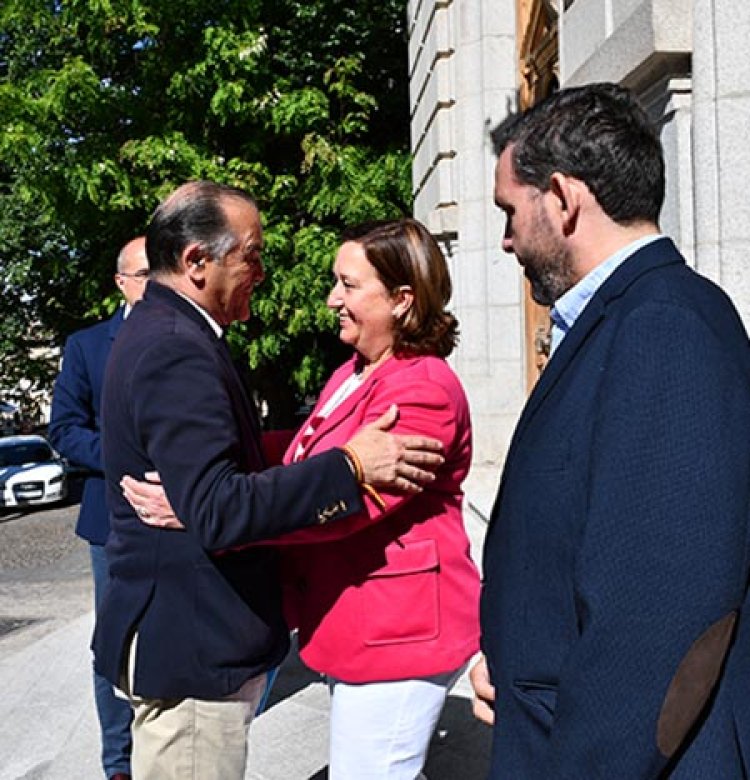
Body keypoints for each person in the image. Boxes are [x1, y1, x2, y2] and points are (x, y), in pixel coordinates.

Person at [95, 181, 444, 780]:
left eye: (349, 284)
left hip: (206, 641)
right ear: (196, 262)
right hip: (194, 649)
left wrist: (213, 491)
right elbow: (220, 510)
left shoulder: (167, 329)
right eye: (250, 255)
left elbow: (245, 466)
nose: (262, 270)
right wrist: (351, 467)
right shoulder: (176, 347)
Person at [469, 82, 750, 777]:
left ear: (562, 198)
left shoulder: (665, 325)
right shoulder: (624, 318)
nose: (506, 240)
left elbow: (661, 610)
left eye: (511, 211)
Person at [48, 236, 149, 780]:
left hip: (182, 514)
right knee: (114, 639)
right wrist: (125, 459)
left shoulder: (191, 334)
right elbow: (64, 430)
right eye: (144, 275)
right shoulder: (87, 346)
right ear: (121, 283)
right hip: (112, 520)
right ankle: (119, 763)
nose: (156, 284)